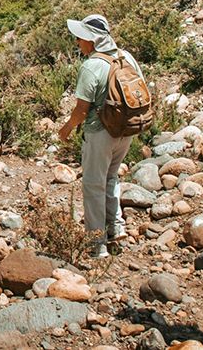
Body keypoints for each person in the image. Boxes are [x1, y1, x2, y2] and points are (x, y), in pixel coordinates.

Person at [58, 13, 145, 257]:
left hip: (100, 133)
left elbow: (81, 109)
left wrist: (66, 129)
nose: (77, 42)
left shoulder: (91, 65)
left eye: (81, 38)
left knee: (93, 185)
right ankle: (115, 229)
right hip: (125, 130)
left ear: (93, 40)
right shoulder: (126, 57)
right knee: (111, 178)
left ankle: (96, 245)